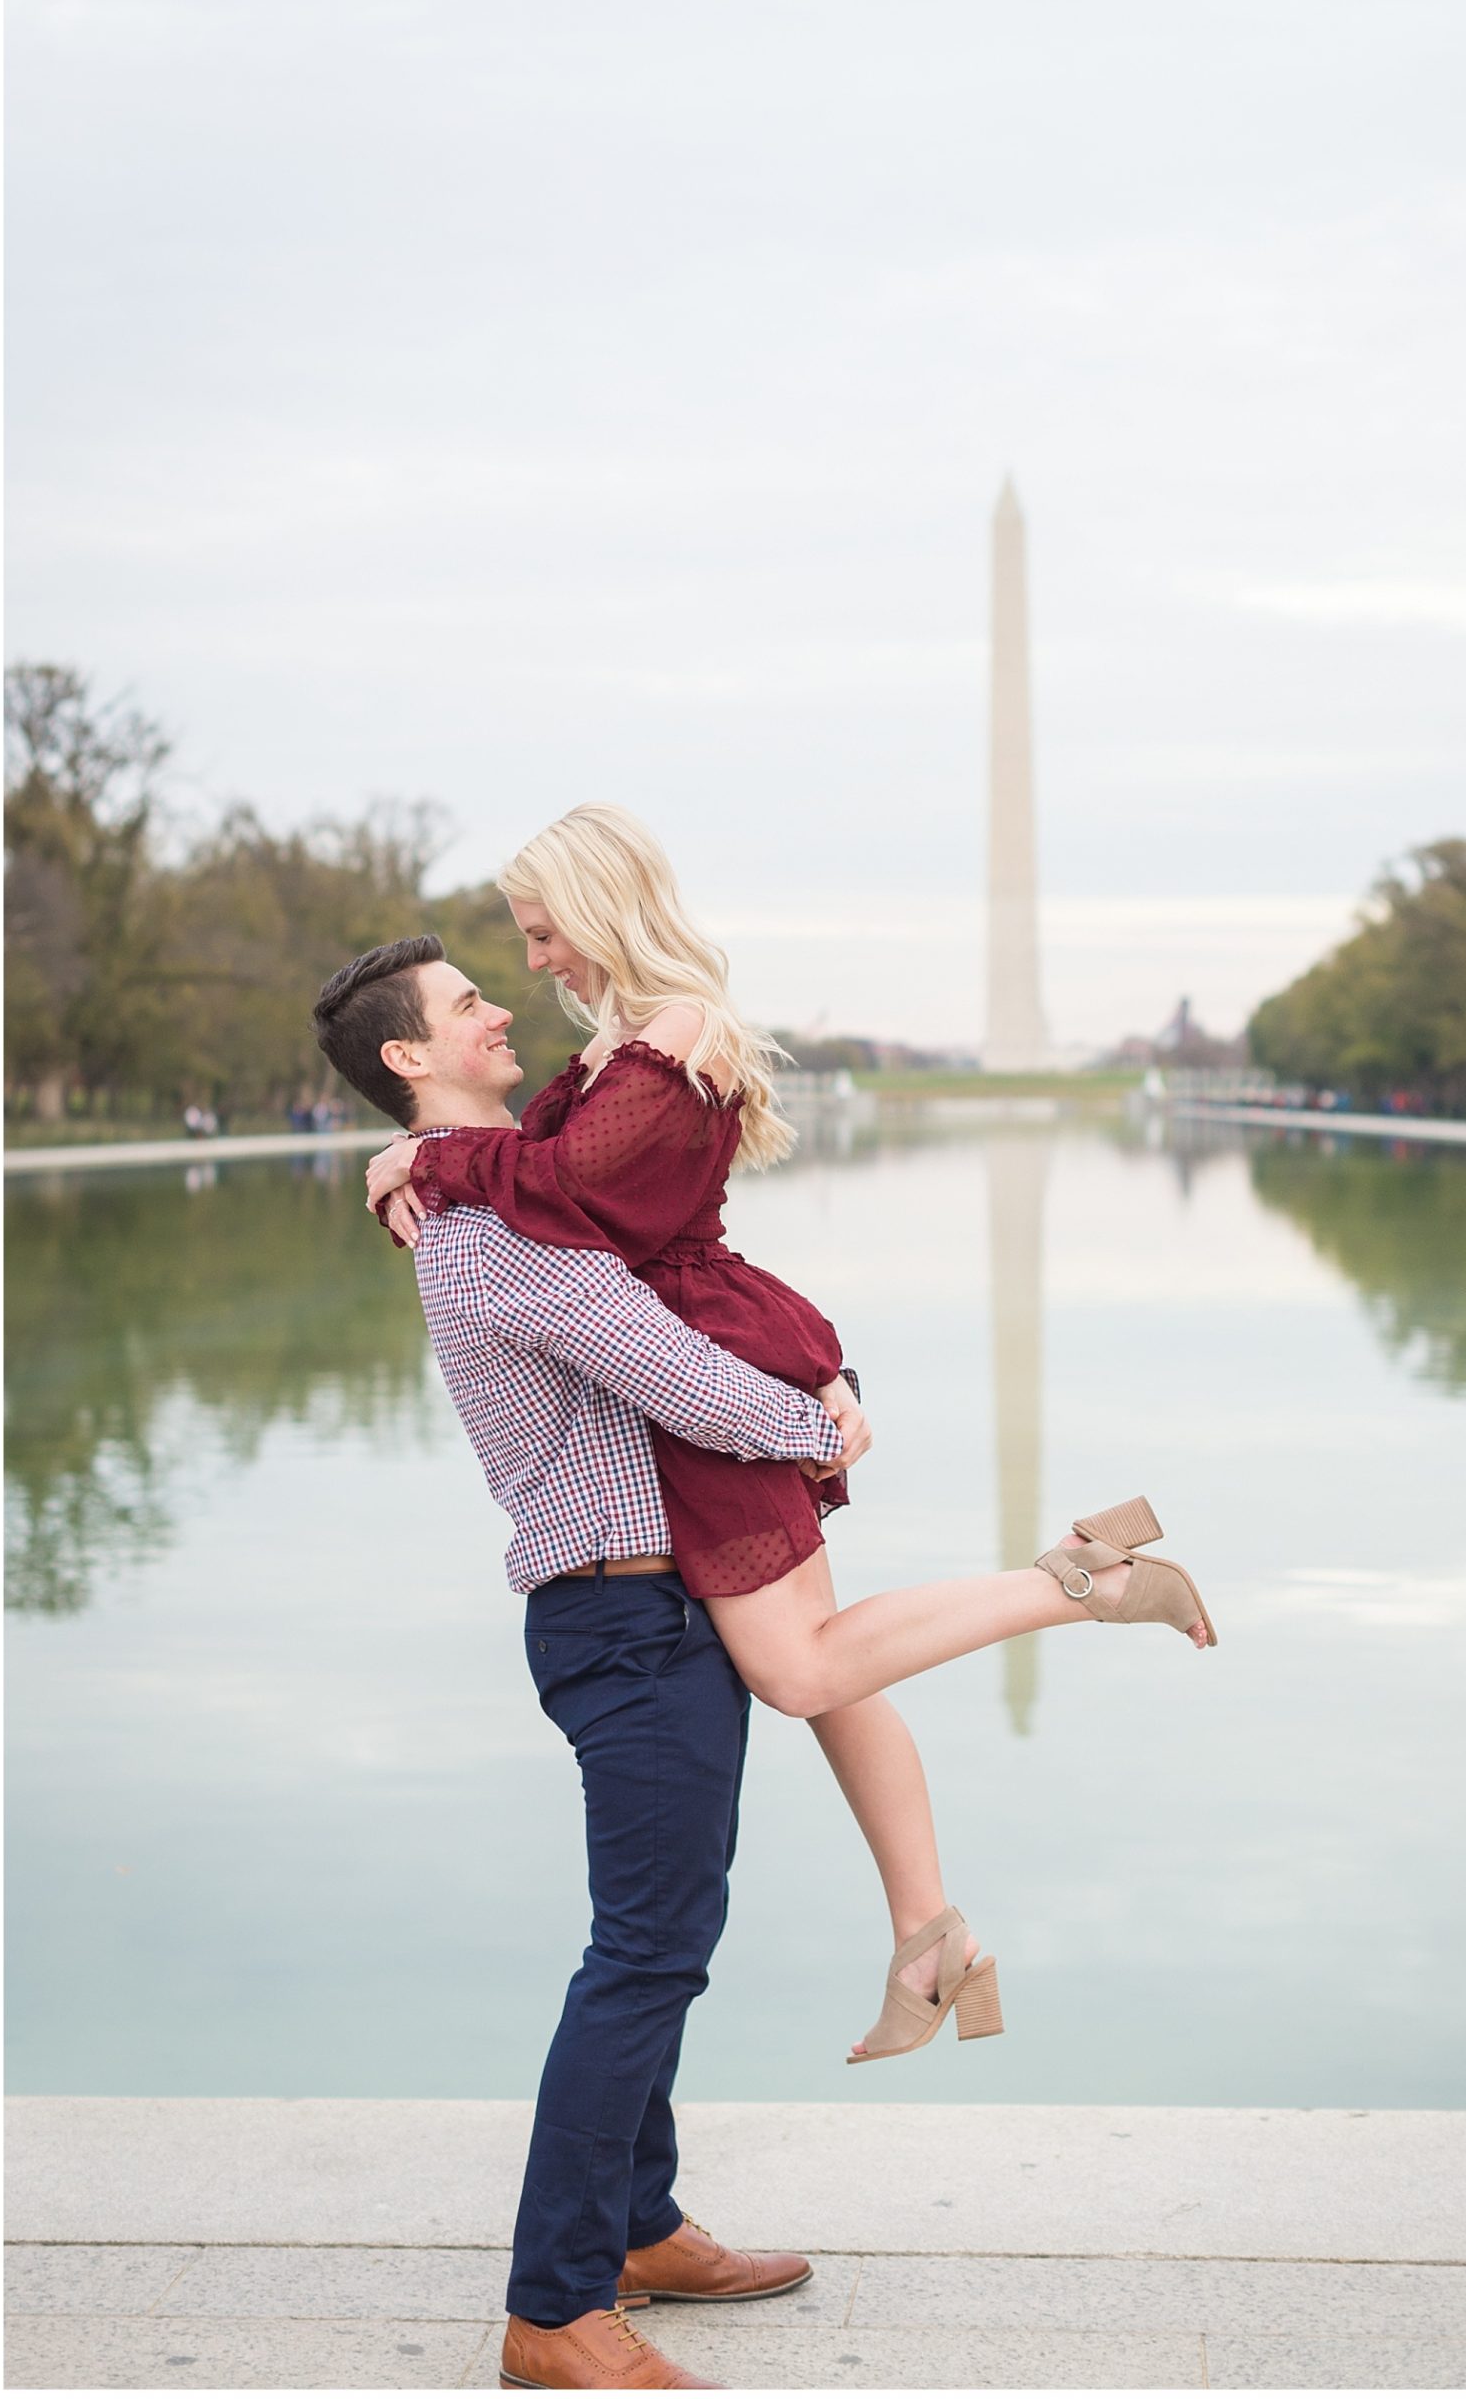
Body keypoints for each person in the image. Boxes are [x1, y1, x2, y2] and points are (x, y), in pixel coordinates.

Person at [360, 805, 1217, 2073]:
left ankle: (1074, 1580)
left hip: (706, 1366)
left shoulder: (672, 1031)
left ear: (600, 906)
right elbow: (562, 1197)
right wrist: (429, 1158)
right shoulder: (625, 1044)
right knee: (832, 1669)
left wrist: (426, 1155)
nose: (534, 964)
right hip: (724, 1334)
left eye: (541, 934)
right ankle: (928, 1939)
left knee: (801, 1672)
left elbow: (563, 1195)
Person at [313, 938, 868, 2392]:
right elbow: (669, 1367)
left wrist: (823, 1371)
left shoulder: (518, 1181)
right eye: (463, 1006)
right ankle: (553, 2305)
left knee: (665, 1939)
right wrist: (823, 1428)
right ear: (407, 1060)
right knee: (641, 1954)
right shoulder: (493, 1229)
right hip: (622, 1620)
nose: (500, 1008)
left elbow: (692, 1258)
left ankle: (635, 2224)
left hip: (654, 1606)